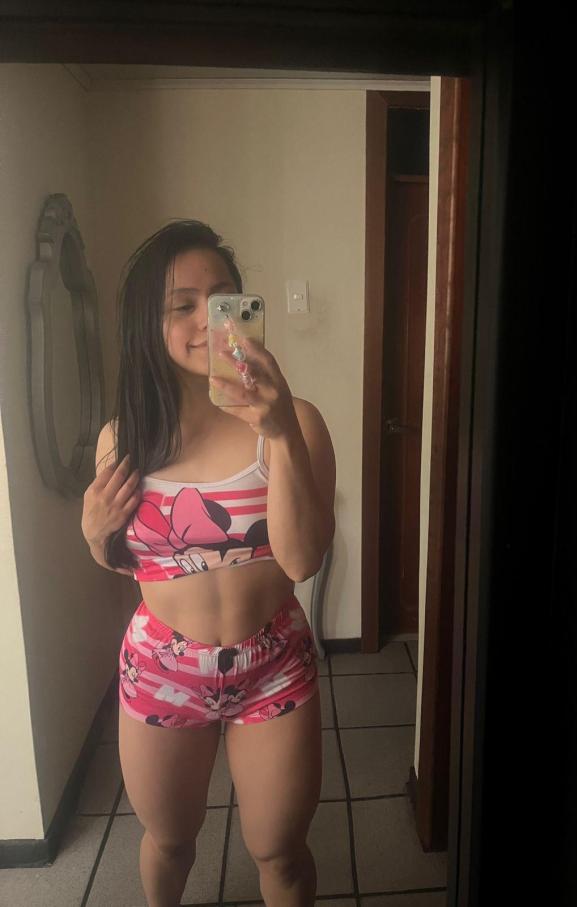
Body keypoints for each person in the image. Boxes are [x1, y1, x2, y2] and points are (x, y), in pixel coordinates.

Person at [80, 220, 336, 907]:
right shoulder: (124, 439)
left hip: (272, 661)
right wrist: (94, 537)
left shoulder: (298, 421)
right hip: (162, 666)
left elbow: (303, 559)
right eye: (182, 305)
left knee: (281, 854)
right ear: (149, 323)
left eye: (223, 299)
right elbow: (132, 563)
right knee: (170, 842)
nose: (207, 320)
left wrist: (279, 431)